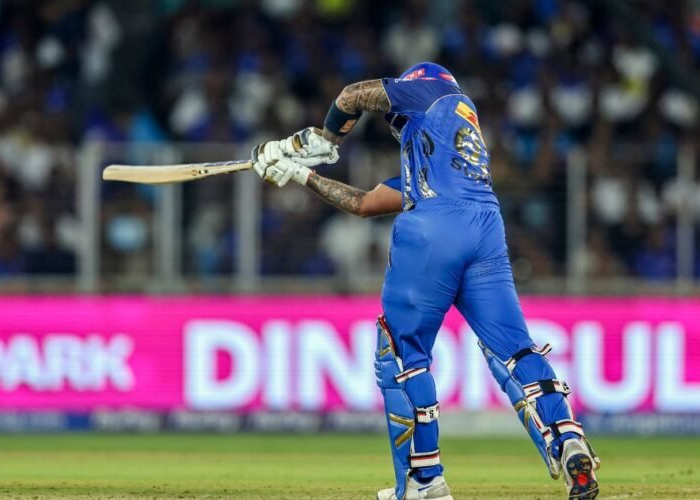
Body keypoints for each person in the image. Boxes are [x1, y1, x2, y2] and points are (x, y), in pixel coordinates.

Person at [251, 62, 600, 500]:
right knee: (515, 350)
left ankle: (423, 481)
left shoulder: (433, 91)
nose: (394, 125)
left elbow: (352, 95)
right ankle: (567, 439)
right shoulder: (444, 150)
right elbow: (365, 204)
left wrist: (324, 140)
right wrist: (302, 174)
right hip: (486, 229)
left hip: (435, 227)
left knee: (401, 356)